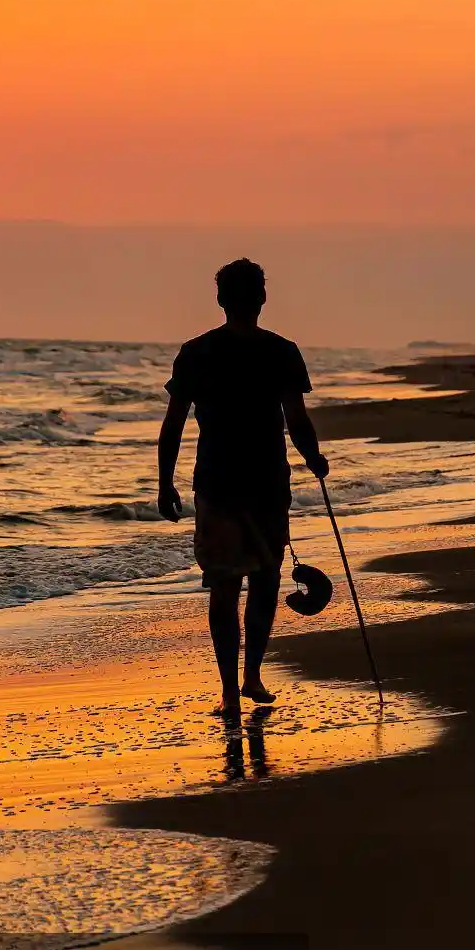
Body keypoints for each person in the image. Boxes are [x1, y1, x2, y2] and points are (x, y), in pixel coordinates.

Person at [157, 258, 329, 715]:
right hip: (267, 481)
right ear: (262, 298)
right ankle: (252, 675)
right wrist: (315, 460)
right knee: (265, 579)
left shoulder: (196, 352)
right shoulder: (281, 351)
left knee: (224, 585)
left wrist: (164, 483)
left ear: (220, 299)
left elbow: (173, 424)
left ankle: (231, 690)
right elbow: (296, 419)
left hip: (215, 482)